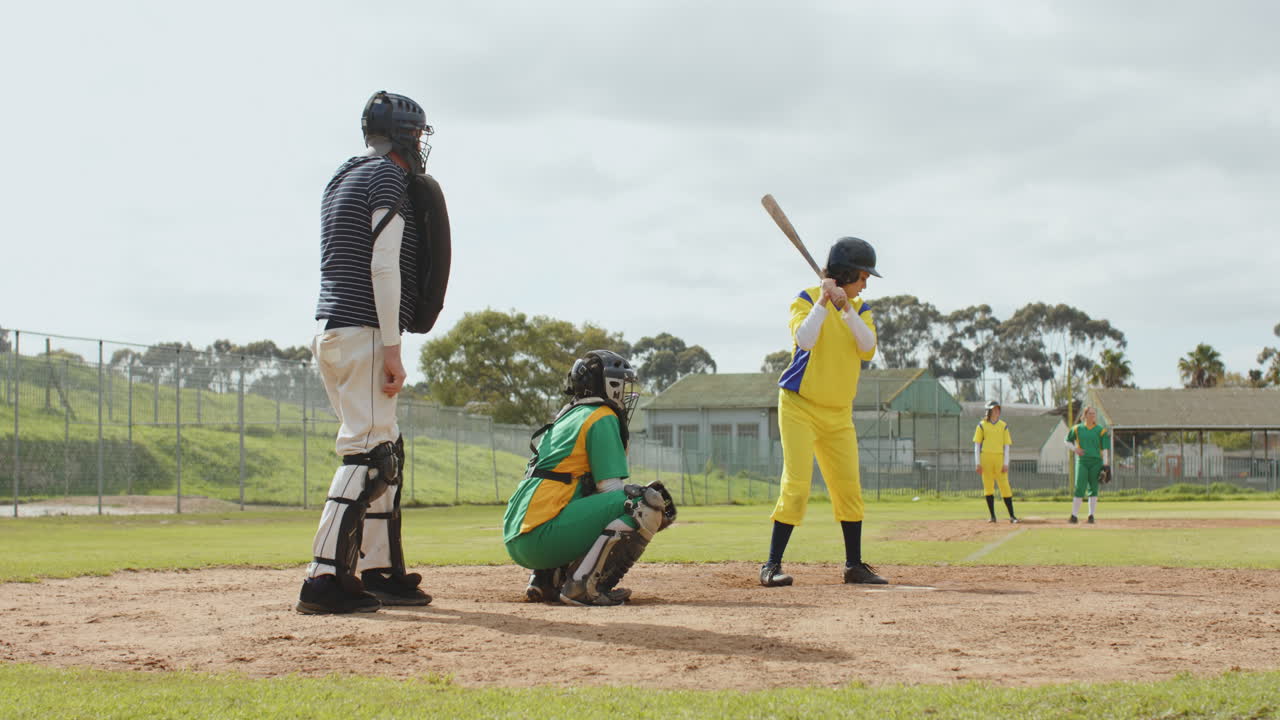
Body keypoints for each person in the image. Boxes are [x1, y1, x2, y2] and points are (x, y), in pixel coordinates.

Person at [297, 90, 450, 614]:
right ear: (408, 135)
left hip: (333, 329)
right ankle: (322, 579)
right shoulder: (388, 178)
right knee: (369, 455)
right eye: (420, 134)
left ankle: (378, 570)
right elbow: (383, 264)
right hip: (363, 331)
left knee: (386, 447)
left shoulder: (343, 175)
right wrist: (392, 348)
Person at [760, 237, 888, 588]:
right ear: (847, 273)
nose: (865, 285)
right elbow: (805, 339)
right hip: (799, 405)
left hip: (838, 413)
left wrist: (845, 308)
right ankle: (771, 565)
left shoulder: (859, 310)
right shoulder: (804, 299)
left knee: (849, 487)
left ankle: (854, 566)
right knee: (797, 485)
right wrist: (822, 302)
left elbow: (867, 348)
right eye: (863, 277)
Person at [503, 350, 677, 606]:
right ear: (609, 385)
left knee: (580, 495)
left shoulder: (569, 415)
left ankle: (546, 580)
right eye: (622, 384)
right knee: (643, 502)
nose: (626, 393)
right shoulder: (601, 415)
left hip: (520, 535)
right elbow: (611, 491)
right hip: (541, 536)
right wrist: (655, 514)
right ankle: (585, 586)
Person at [974, 400, 1018, 523]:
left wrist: (1006, 463)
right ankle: (993, 516)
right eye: (994, 409)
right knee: (988, 487)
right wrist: (977, 463)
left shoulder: (1003, 426)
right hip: (986, 458)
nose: (997, 411)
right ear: (988, 411)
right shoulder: (981, 425)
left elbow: (1007, 446)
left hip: (999, 458)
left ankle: (1012, 516)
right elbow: (977, 446)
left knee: (1005, 486)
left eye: (998, 409)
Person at [1065, 406, 1111, 524]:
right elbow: (1066, 441)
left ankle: (1091, 516)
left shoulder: (1100, 430)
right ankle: (1074, 516)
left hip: (1096, 462)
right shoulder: (1077, 429)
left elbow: (1105, 448)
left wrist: (1106, 465)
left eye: (1094, 414)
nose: (1092, 416)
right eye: (1090, 414)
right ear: (1085, 415)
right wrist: (1075, 449)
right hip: (1082, 461)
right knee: (1079, 487)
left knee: (1093, 488)